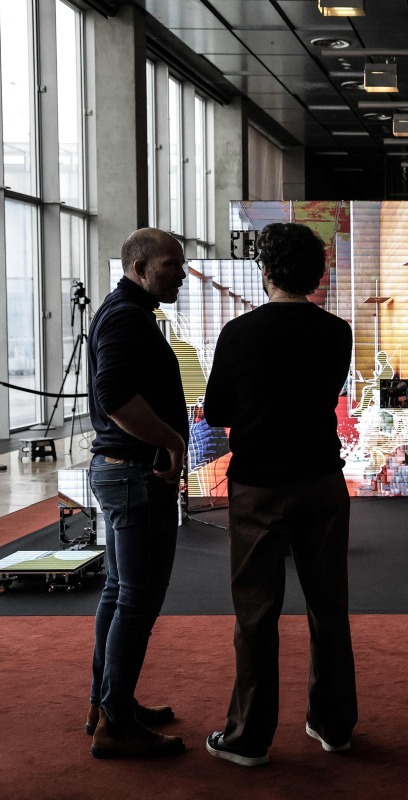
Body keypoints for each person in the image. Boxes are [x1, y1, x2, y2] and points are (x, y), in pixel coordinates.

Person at [202, 222, 357, 767]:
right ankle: (334, 724)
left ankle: (248, 737)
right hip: (320, 477)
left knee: (255, 611)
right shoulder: (338, 333)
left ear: (263, 270)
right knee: (328, 606)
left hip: (259, 485)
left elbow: (217, 411)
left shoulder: (238, 333)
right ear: (317, 274)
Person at [85, 227, 188, 759]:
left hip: (122, 471)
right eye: (170, 264)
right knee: (135, 600)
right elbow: (117, 396)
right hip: (135, 474)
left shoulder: (123, 312)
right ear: (138, 265)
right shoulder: (126, 317)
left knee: (118, 594)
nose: (181, 273)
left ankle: (109, 704)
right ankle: (115, 722)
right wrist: (172, 442)